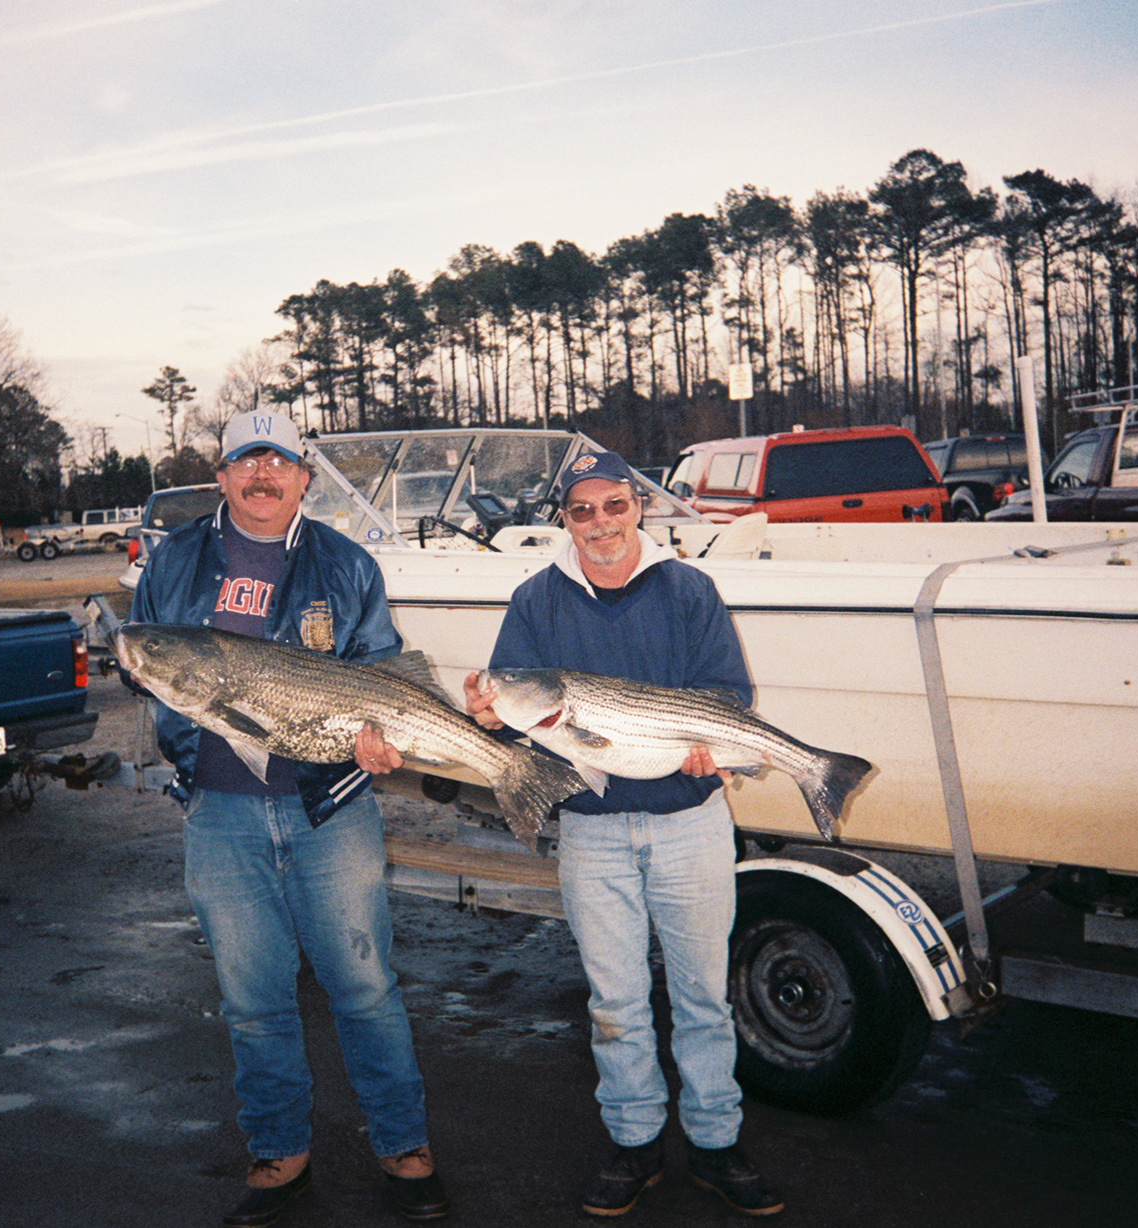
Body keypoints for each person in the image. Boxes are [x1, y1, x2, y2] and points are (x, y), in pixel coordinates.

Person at [127, 409, 447, 1227]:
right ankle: (279, 1153)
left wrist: (385, 740)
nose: (261, 476)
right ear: (222, 477)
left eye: (277, 462)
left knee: (365, 986)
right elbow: (147, 655)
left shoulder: (344, 563)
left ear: (303, 478)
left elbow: (379, 665)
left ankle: (404, 1147)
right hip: (219, 810)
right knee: (251, 996)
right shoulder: (176, 557)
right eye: (245, 462)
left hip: (329, 809)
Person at [461, 448, 784, 1218]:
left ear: (637, 506)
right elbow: (515, 719)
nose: (600, 523)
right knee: (616, 998)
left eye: (614, 505)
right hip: (593, 833)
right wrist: (490, 712)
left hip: (692, 825)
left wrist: (714, 746)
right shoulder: (535, 602)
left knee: (705, 994)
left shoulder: (690, 588)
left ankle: (714, 1142)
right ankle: (634, 1139)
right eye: (582, 510)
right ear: (564, 519)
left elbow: (727, 694)